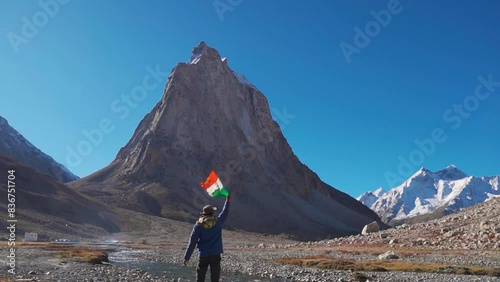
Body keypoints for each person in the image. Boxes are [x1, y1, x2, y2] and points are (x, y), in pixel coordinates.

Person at [183, 195, 231, 282]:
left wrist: (187, 257)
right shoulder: (218, 222)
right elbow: (225, 212)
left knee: (200, 278)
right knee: (215, 278)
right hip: (215, 254)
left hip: (203, 255)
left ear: (203, 213)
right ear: (212, 213)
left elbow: (192, 242)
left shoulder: (198, 225)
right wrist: (227, 201)